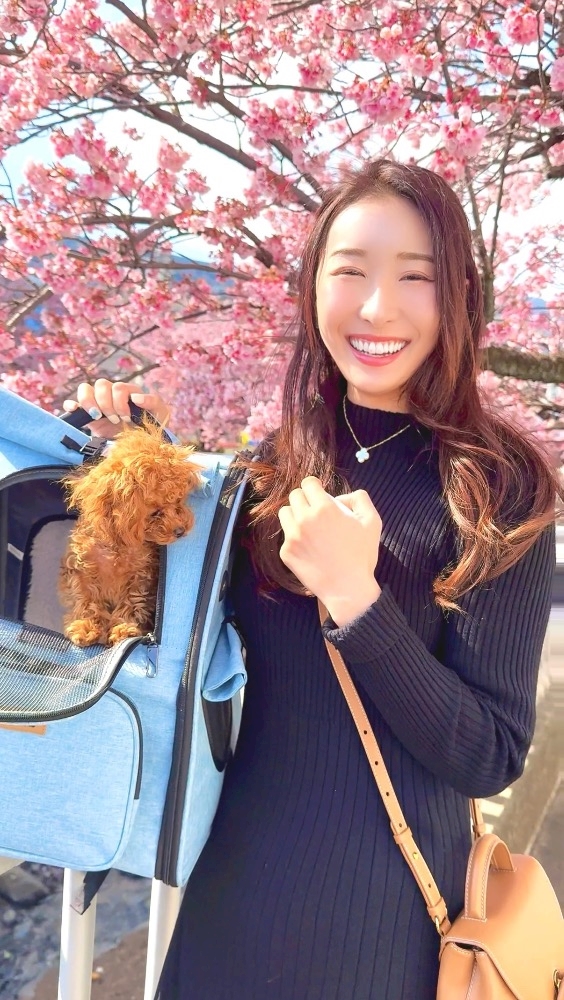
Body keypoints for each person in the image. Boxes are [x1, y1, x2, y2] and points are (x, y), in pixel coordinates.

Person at [65, 158, 561, 1000]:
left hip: (381, 931)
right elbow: (167, 638)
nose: (377, 308)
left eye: (416, 277)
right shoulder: (275, 465)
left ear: (460, 295)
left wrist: (358, 601)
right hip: (232, 899)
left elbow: (490, 752)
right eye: (350, 272)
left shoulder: (499, 489)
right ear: (312, 287)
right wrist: (135, 467)